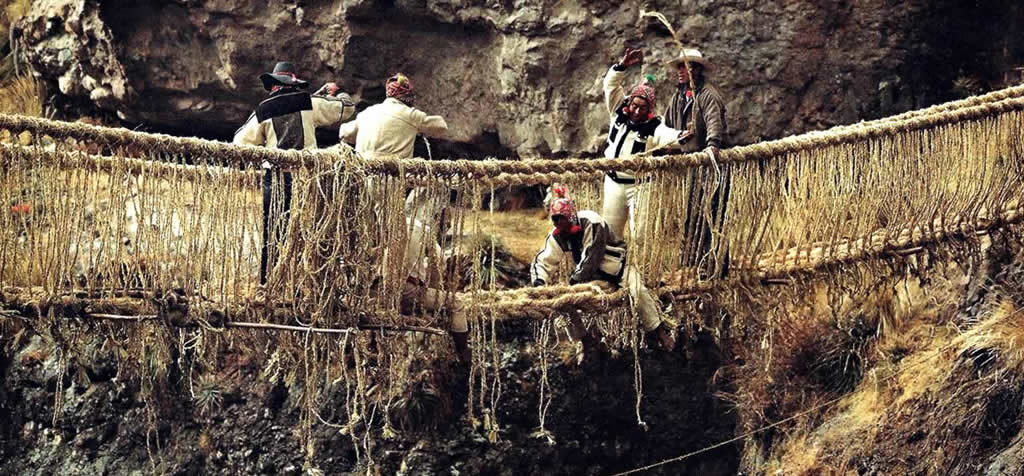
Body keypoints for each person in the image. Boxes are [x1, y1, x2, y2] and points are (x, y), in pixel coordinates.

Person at [338, 74, 468, 361]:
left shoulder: (369, 112)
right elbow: (441, 127)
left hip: (362, 181)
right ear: (406, 96)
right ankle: (385, 296)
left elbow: (344, 133)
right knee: (393, 236)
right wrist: (418, 124)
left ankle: (363, 289)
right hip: (387, 183)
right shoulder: (409, 114)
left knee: (368, 237)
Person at [233, 61, 356, 284]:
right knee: (310, 232)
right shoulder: (309, 102)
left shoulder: (263, 109)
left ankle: (268, 282)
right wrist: (336, 92)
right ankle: (303, 285)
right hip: (309, 178)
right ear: (293, 82)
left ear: (274, 85)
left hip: (277, 179)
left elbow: (240, 142)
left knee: (274, 234)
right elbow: (346, 108)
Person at [531, 185, 675, 354]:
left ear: (570, 216)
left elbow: (592, 255)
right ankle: (584, 339)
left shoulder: (592, 221)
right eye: (555, 219)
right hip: (592, 278)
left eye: (560, 218)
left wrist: (574, 282)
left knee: (637, 290)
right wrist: (539, 281)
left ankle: (657, 331)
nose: (557, 223)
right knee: (563, 301)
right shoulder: (557, 234)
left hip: (619, 267)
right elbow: (543, 259)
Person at [601, 47, 692, 242]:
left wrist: (682, 136)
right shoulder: (618, 111)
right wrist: (622, 66)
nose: (636, 111)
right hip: (613, 182)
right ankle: (613, 269)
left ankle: (639, 269)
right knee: (610, 233)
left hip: (641, 186)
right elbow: (610, 86)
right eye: (634, 105)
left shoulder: (654, 126)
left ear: (649, 109)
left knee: (641, 234)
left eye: (642, 108)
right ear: (629, 103)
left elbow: (667, 136)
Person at [665, 48, 730, 278]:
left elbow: (714, 124)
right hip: (689, 166)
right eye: (679, 67)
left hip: (709, 164)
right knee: (692, 215)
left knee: (713, 213)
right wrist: (667, 143)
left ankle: (718, 265)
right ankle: (695, 262)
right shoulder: (678, 98)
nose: (681, 72)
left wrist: (712, 146)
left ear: (696, 70)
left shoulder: (708, 95)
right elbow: (666, 128)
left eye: (685, 67)